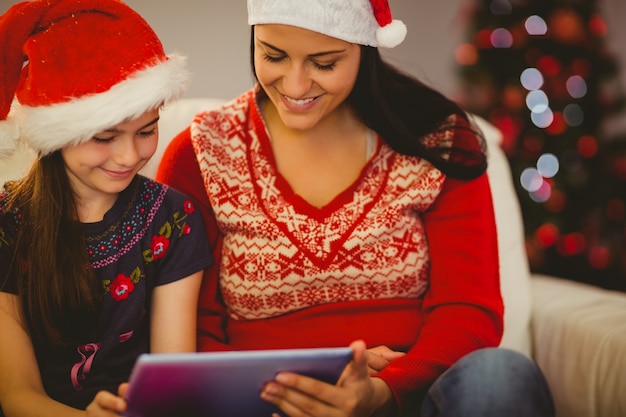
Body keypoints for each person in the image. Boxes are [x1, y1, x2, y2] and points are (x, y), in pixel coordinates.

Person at [156, 0, 555, 416]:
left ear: (364, 49)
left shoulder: (438, 141)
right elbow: (187, 332)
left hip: (409, 399)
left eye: (324, 63)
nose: (294, 86)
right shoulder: (202, 155)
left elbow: (468, 311)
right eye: (273, 56)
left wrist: (384, 391)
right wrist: (297, 389)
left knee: (501, 376)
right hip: (265, 405)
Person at [0, 1, 213, 416]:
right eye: (104, 137)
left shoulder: (174, 219)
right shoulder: (8, 224)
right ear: (60, 133)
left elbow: (172, 382)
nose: (129, 156)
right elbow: (17, 395)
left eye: (147, 131)